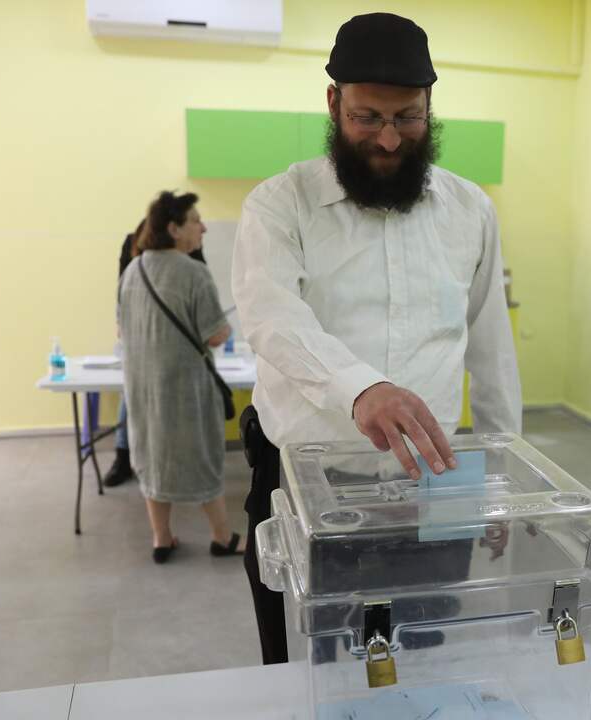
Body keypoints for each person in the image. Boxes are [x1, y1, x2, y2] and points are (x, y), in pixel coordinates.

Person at [231, 12, 521, 664]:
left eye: (408, 118)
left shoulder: (470, 209)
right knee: (312, 661)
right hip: (311, 481)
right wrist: (363, 390)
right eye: (369, 118)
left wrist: (498, 475)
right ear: (334, 104)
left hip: (433, 484)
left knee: (420, 655)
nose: (389, 140)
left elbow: (491, 347)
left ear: (429, 108)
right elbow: (272, 317)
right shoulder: (281, 204)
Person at [120, 191, 245, 563]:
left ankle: (162, 538)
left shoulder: (134, 269)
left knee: (152, 456)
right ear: (174, 228)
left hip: (142, 390)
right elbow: (215, 334)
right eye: (194, 220)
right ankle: (222, 537)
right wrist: (224, 326)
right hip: (185, 390)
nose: (202, 226)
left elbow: (122, 327)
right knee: (202, 457)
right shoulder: (193, 272)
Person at [104, 220, 207, 488]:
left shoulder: (190, 245)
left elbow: (201, 286)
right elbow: (122, 289)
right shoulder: (132, 241)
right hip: (141, 335)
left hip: (179, 339)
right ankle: (123, 456)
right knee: (132, 395)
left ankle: (181, 461)